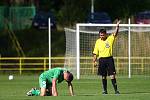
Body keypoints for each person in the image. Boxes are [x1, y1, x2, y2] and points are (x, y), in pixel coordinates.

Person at [93, 20, 121, 94]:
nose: (101, 36)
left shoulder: (110, 38)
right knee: (103, 76)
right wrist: (94, 61)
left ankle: (116, 90)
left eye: (102, 35)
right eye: (100, 35)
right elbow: (95, 53)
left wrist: (117, 26)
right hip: (101, 60)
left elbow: (116, 33)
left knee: (112, 75)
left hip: (109, 59)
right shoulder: (97, 41)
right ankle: (105, 91)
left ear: (106, 34)